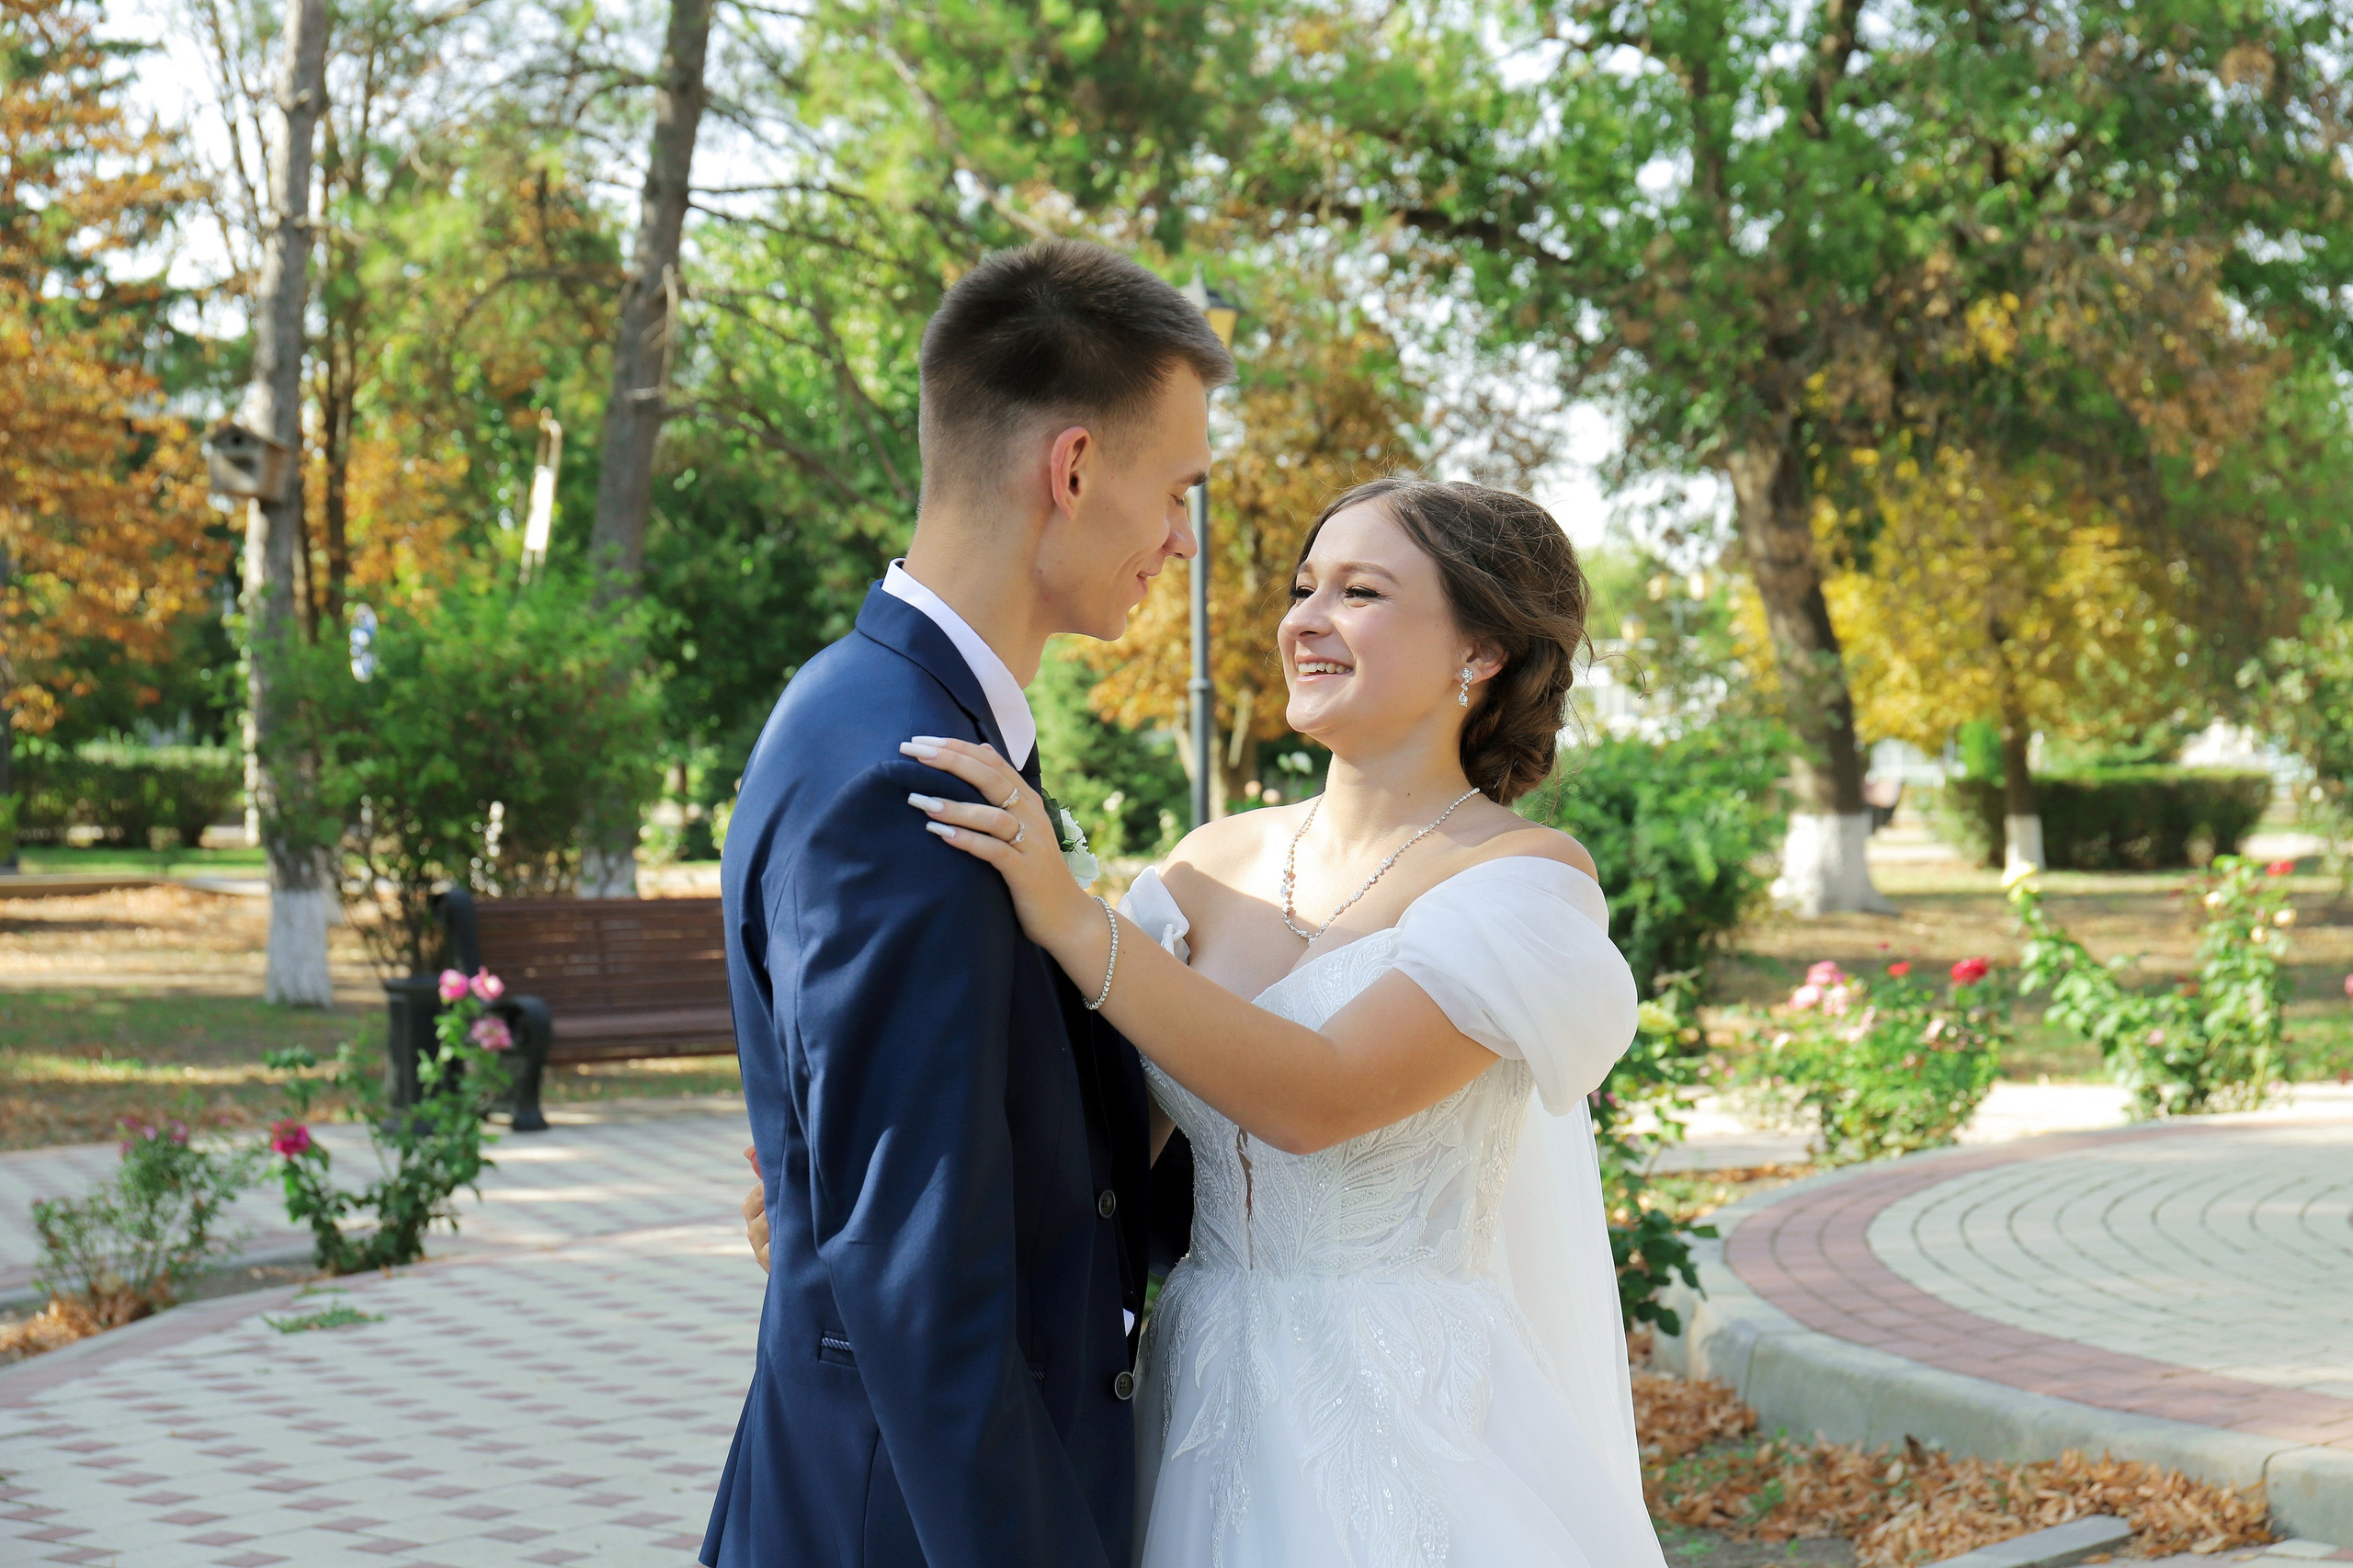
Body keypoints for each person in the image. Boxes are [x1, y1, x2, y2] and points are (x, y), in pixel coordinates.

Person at [897, 476, 1668, 1567]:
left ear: (1481, 652)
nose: (1304, 618)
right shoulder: (1205, 869)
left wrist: (1074, 920)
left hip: (1413, 1410)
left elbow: (1320, 1095)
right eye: (1305, 586)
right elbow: (1100, 1150)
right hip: (1193, 1391)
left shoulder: (1525, 882)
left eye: (1360, 591)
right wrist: (860, 1197)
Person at [701, 239, 1234, 1568]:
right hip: (909, 1521)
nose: (1179, 537)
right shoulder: (903, 766)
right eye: (1177, 492)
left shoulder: (907, 714)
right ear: (1070, 468)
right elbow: (916, 1268)